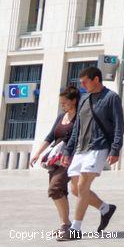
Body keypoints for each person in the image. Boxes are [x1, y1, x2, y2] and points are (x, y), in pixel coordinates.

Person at [57, 66, 124, 241]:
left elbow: (119, 125)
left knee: (83, 186)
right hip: (81, 148)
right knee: (75, 189)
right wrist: (68, 150)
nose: (83, 85)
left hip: (99, 146)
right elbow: (77, 128)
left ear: (96, 80)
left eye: (85, 82)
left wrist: (116, 148)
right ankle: (105, 209)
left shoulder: (111, 98)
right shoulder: (84, 99)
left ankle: (75, 229)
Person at [29, 86, 80, 235]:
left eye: (64, 102)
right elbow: (51, 136)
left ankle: (69, 224)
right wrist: (37, 153)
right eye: (61, 102)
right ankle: (65, 225)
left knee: (54, 189)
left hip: (69, 159)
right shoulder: (61, 117)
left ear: (74, 101)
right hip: (55, 159)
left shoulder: (80, 118)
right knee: (60, 191)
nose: (62, 105)